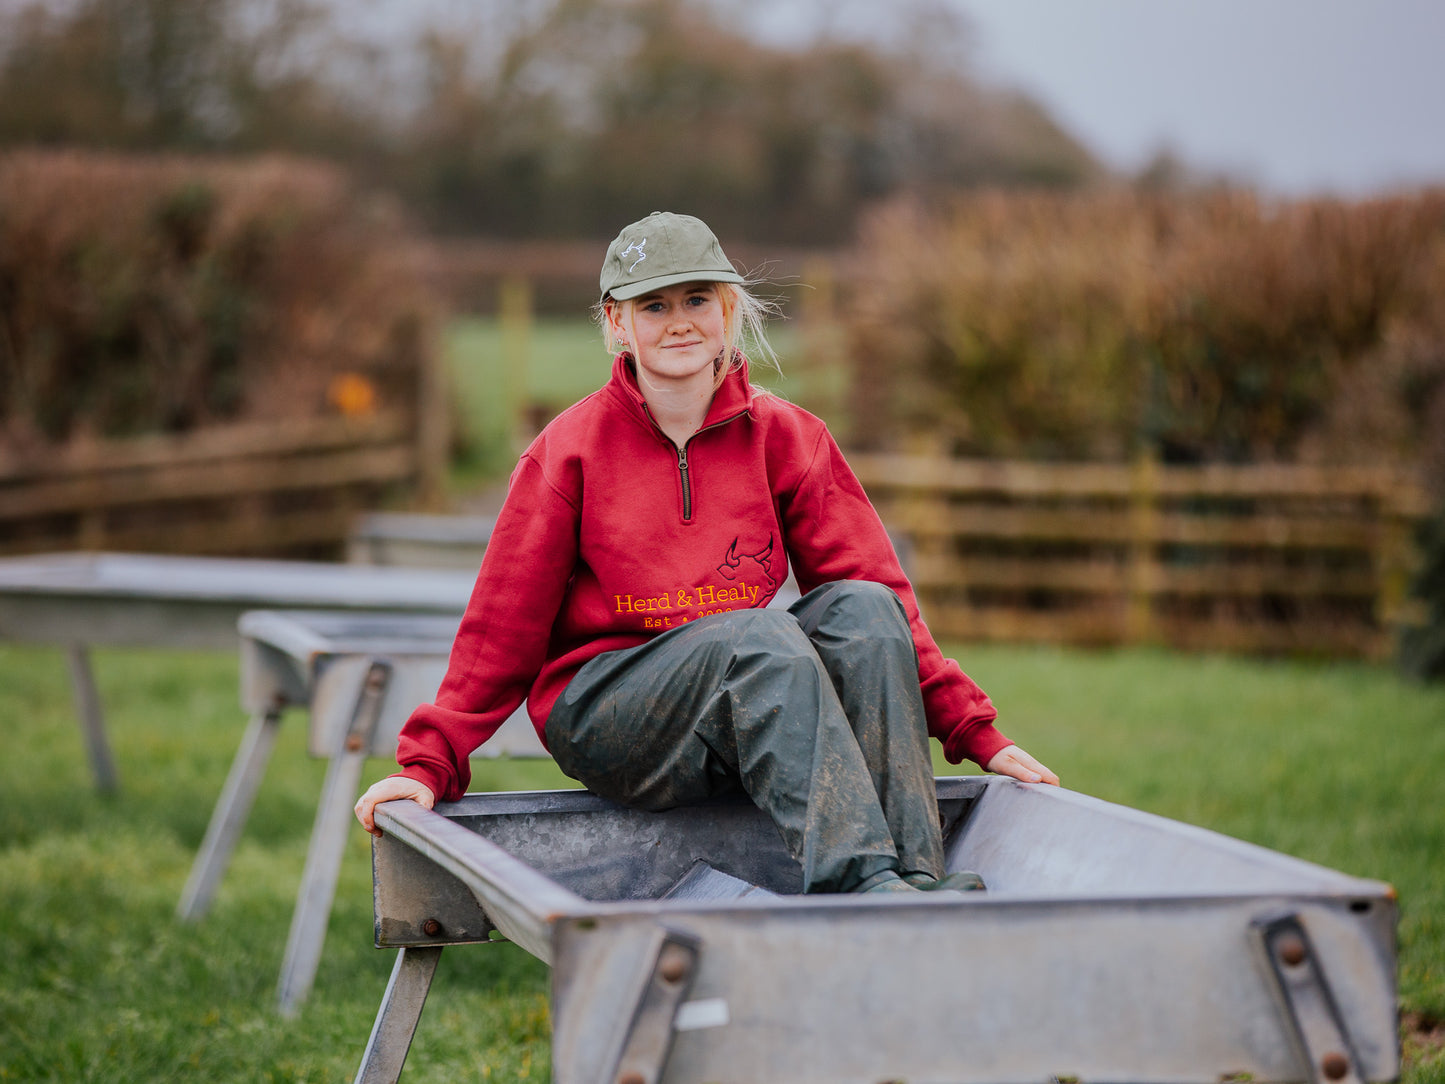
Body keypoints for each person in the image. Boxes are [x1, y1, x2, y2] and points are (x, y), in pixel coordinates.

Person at [354, 210, 1058, 894]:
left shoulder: (788, 437)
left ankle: (915, 878)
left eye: (697, 299)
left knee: (864, 610)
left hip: (738, 704)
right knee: (759, 637)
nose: (679, 321)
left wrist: (975, 731)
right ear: (616, 325)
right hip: (608, 712)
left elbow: (881, 598)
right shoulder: (567, 453)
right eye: (653, 306)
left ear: (728, 311)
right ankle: (858, 883)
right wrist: (428, 764)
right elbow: (500, 628)